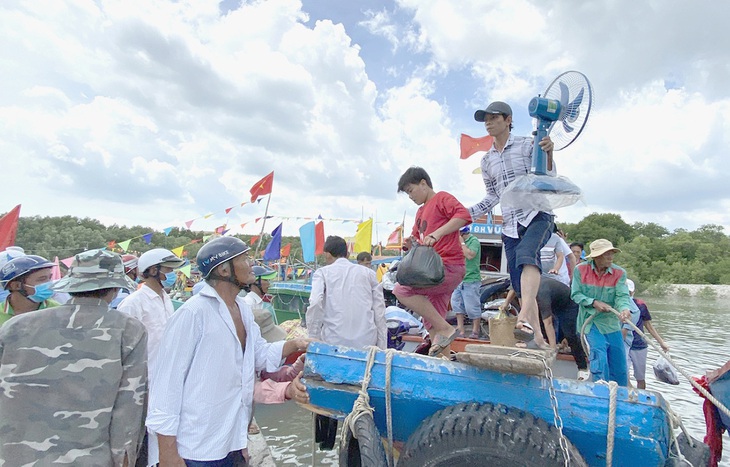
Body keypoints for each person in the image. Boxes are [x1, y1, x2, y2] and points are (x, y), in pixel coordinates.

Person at [147, 236, 309, 466]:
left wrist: (298, 344)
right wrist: (168, 454)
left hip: (232, 440)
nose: (251, 263)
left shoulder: (242, 309)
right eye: (244, 258)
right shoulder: (193, 314)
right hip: (195, 448)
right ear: (224, 270)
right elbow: (166, 387)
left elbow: (259, 354)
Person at [0, 249, 147, 465]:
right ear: (115, 288)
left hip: (17, 456)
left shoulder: (16, 326)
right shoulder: (128, 330)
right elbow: (129, 406)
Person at [468, 101, 556, 348]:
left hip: (536, 214)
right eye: (485, 119)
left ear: (508, 119)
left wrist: (549, 153)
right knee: (519, 285)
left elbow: (547, 176)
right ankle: (538, 338)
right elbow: (492, 196)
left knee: (528, 256)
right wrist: (466, 214)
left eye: (493, 117)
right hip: (509, 225)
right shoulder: (486, 161)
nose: (488, 122)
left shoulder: (528, 144)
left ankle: (524, 317)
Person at [117, 248, 184, 467]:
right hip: (146, 384)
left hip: (168, 380)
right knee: (148, 442)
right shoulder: (133, 303)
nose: (172, 274)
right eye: (168, 269)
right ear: (153, 270)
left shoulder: (165, 298)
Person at [395, 166, 471, 356]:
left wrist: (437, 234)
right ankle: (443, 364)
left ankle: (446, 329)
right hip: (431, 272)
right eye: (407, 194)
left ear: (423, 183)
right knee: (432, 323)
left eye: (411, 190)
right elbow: (418, 240)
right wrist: (409, 245)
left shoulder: (441, 198)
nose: (410, 196)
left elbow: (463, 216)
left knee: (401, 290)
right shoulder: (420, 213)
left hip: (447, 267)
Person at [306, 235, 387, 349]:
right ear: (347, 254)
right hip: (367, 342)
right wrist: (382, 348)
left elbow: (315, 303)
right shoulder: (369, 273)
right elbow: (379, 311)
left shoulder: (322, 273)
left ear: (327, 254)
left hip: (333, 341)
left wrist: (312, 338)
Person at [571, 239, 632, 385]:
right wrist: (593, 302)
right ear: (596, 257)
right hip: (590, 323)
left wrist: (624, 308)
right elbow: (575, 294)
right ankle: (601, 389)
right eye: (607, 254)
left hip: (611, 324)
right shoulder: (580, 270)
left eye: (611, 253)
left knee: (620, 364)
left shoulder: (619, 273)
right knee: (599, 356)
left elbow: (622, 295)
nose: (611, 257)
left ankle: (620, 394)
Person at [536, 275, 590, 380]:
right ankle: (551, 345)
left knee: (570, 334)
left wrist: (552, 349)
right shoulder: (526, 287)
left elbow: (548, 323)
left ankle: (582, 367)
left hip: (569, 305)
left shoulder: (542, 293)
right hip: (555, 302)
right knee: (540, 323)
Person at [623, 279, 669, 389]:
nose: (628, 294)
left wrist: (661, 343)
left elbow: (648, 325)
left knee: (640, 377)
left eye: (629, 292)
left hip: (639, 344)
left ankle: (640, 395)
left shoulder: (640, 305)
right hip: (624, 343)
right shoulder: (616, 305)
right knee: (624, 373)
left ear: (633, 292)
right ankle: (629, 393)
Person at [0, 254, 60, 326]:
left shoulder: (57, 311)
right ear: (16, 286)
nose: (49, 283)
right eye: (42, 279)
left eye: (49, 278)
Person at [451, 226, 482, 339]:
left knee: (472, 307)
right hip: (458, 279)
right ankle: (460, 329)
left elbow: (470, 255)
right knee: (457, 305)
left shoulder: (474, 241)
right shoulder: (456, 242)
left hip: (471, 279)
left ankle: (475, 331)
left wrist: (462, 243)